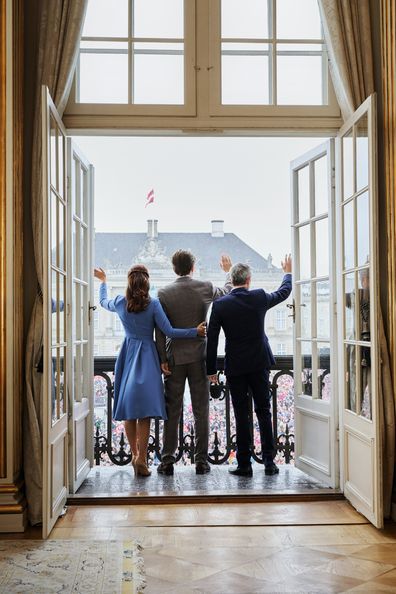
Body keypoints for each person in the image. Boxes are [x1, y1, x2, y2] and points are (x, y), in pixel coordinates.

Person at [94, 264, 206, 477]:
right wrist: (196, 331)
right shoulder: (153, 305)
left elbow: (102, 302)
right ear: (147, 283)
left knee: (129, 411)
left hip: (127, 355)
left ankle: (134, 455)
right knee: (144, 413)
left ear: (129, 282)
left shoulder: (119, 302)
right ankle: (142, 459)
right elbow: (170, 331)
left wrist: (103, 282)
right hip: (147, 357)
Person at [206, 256, 292, 477]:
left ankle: (244, 463)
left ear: (232, 280)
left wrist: (211, 370)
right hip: (259, 362)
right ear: (249, 280)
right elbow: (283, 293)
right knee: (264, 412)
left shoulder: (221, 304)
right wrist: (288, 273)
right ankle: (269, 462)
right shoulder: (259, 297)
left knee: (241, 414)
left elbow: (212, 340)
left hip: (235, 365)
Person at [155, 250, 233, 475]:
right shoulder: (205, 287)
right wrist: (228, 272)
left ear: (173, 268)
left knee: (172, 410)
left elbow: (160, 331)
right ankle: (201, 460)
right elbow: (228, 291)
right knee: (201, 410)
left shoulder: (164, 293)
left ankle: (167, 459)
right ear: (193, 266)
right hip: (200, 356)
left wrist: (162, 358)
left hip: (175, 358)